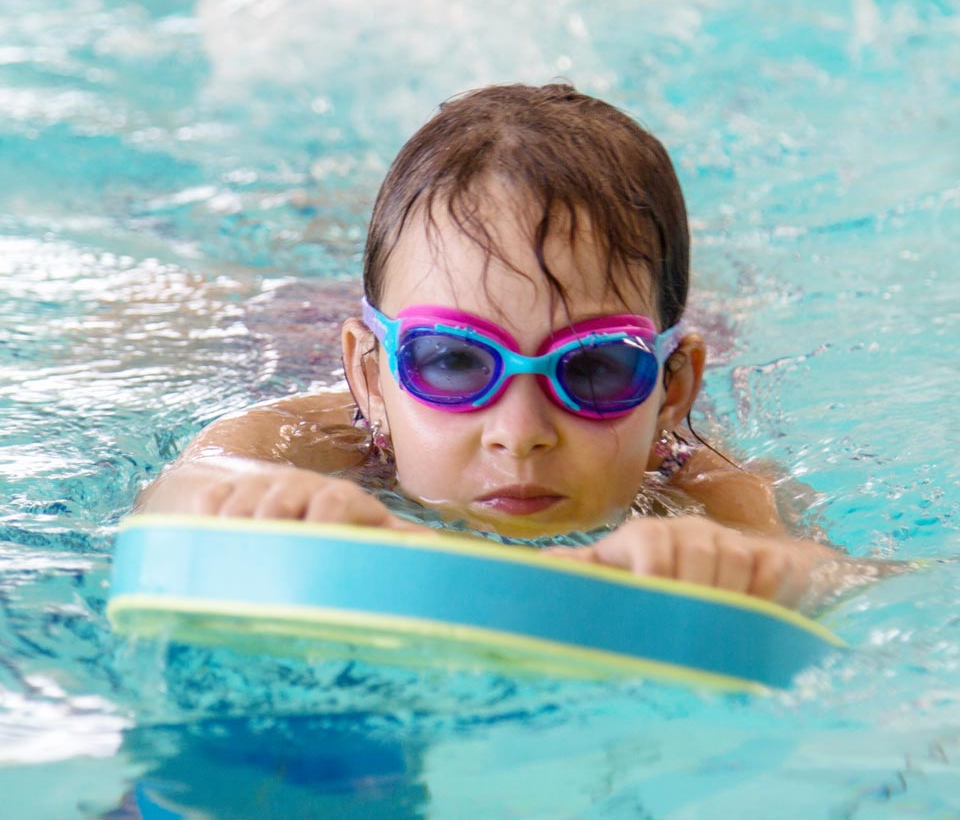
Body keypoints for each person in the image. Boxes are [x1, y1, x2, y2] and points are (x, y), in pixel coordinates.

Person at [137, 83, 869, 611]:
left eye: (593, 367)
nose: (519, 435)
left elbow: (850, 580)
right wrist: (261, 501)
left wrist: (749, 567)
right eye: (452, 361)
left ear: (671, 390)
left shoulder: (700, 486)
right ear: (371, 377)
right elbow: (176, 496)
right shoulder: (313, 442)